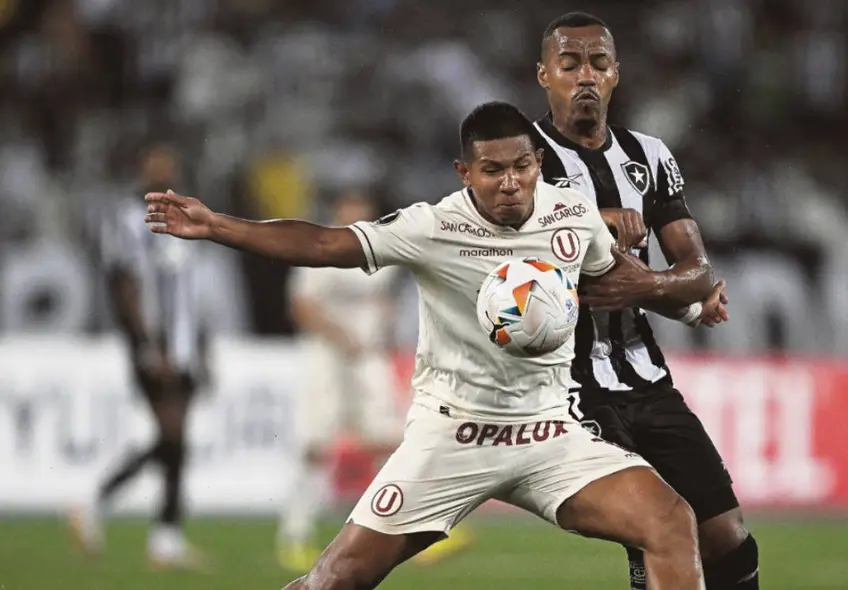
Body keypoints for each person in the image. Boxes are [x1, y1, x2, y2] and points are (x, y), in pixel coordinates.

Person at [144, 101, 708, 590]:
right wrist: (217, 225)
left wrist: (687, 303)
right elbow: (323, 242)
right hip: (454, 437)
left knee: (669, 520)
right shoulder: (433, 227)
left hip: (550, 434)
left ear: (538, 163)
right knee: (337, 580)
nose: (509, 182)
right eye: (492, 170)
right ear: (465, 172)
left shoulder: (574, 215)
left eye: (520, 167)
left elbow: (617, 280)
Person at [532, 12, 758, 590]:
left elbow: (699, 273)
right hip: (570, 384)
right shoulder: (522, 159)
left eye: (598, 63)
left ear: (615, 75)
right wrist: (587, 223)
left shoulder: (650, 155)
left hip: (645, 379)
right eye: (571, 63)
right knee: (653, 529)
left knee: (727, 535)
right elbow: (501, 250)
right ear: (544, 76)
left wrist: (650, 287)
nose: (586, 74)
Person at [70, 141, 209, 570]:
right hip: (156, 347)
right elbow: (125, 283)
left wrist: (201, 346)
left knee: (175, 442)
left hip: (184, 346)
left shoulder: (185, 216)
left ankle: (163, 538)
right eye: (156, 164)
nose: (164, 171)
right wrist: (149, 343)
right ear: (143, 168)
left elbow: (189, 293)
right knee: (172, 437)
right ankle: (97, 505)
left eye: (170, 163)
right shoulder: (130, 219)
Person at [277, 190, 403, 572]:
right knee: (317, 445)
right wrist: (340, 335)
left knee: (388, 440)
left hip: (368, 356)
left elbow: (385, 302)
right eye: (350, 209)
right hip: (327, 356)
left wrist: (379, 330)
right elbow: (301, 306)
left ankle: (404, 529)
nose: (357, 217)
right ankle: (294, 534)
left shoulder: (382, 255)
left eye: (363, 210)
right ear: (337, 213)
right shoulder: (320, 250)